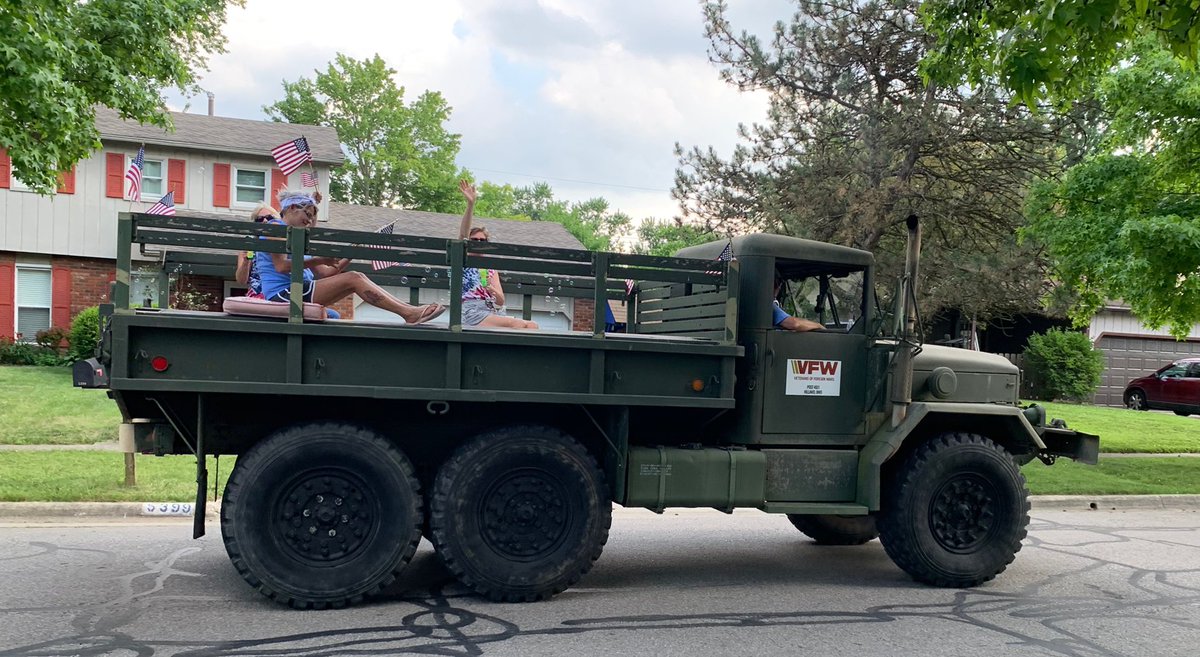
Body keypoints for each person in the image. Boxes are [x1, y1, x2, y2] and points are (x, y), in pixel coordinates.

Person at [257, 189, 445, 325]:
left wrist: (353, 250)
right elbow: (281, 266)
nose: (309, 222)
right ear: (291, 208)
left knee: (356, 278)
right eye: (307, 215)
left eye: (313, 218)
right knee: (354, 278)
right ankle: (409, 313)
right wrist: (321, 259)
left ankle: (409, 310)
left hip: (298, 290)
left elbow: (327, 273)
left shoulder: (298, 238)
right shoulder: (276, 227)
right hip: (282, 295)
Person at [456, 180, 538, 329]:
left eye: (482, 240)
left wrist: (491, 289)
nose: (478, 243)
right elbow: (463, 235)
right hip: (471, 312)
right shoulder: (463, 260)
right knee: (517, 324)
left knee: (532, 325)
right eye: (474, 240)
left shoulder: (490, 268)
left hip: (493, 311)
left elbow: (500, 301)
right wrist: (471, 204)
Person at [235, 204, 277, 298]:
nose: (265, 221)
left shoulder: (284, 241)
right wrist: (246, 261)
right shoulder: (250, 243)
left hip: (279, 289)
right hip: (257, 293)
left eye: (269, 218)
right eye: (259, 219)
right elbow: (241, 281)